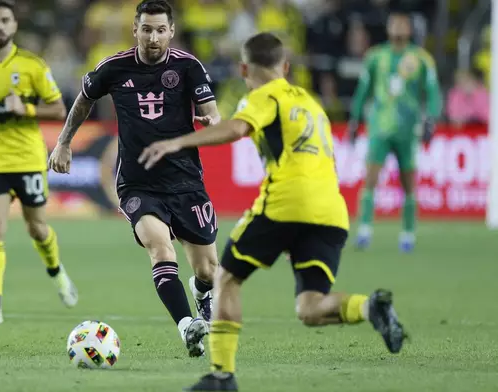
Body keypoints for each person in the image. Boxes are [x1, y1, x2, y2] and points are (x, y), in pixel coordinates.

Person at [139, 32, 407, 391]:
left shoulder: (265, 95)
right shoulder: (311, 104)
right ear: (286, 66)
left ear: (244, 68)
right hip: (331, 211)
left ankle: (222, 376)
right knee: (310, 308)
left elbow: (236, 128)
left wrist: (177, 141)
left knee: (225, 279)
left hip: (287, 202)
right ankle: (369, 307)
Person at [49, 0, 221, 357]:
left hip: (185, 180)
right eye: (147, 29)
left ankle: (202, 292)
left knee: (208, 269)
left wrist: (209, 122)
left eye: (160, 30)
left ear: (171, 31)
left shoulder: (188, 67)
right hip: (137, 183)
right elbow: (83, 100)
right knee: (160, 248)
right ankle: (187, 325)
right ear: (135, 30)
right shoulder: (114, 68)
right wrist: (63, 142)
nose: (153, 37)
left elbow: (212, 114)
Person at [0, 0, 78, 324]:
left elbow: (58, 109)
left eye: (4, 20)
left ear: (14, 26)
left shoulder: (32, 66)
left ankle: (57, 272)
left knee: (37, 228)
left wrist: (26, 109)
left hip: (27, 158)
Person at [348, 11, 442, 253]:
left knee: (409, 183)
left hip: (408, 129)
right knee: (370, 178)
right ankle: (365, 231)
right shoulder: (375, 57)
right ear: (388, 28)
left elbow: (432, 92)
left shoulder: (421, 59)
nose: (399, 27)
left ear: (409, 29)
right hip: (379, 127)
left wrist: (431, 119)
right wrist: (355, 119)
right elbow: (363, 90)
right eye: (395, 23)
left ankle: (408, 234)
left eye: (403, 24)